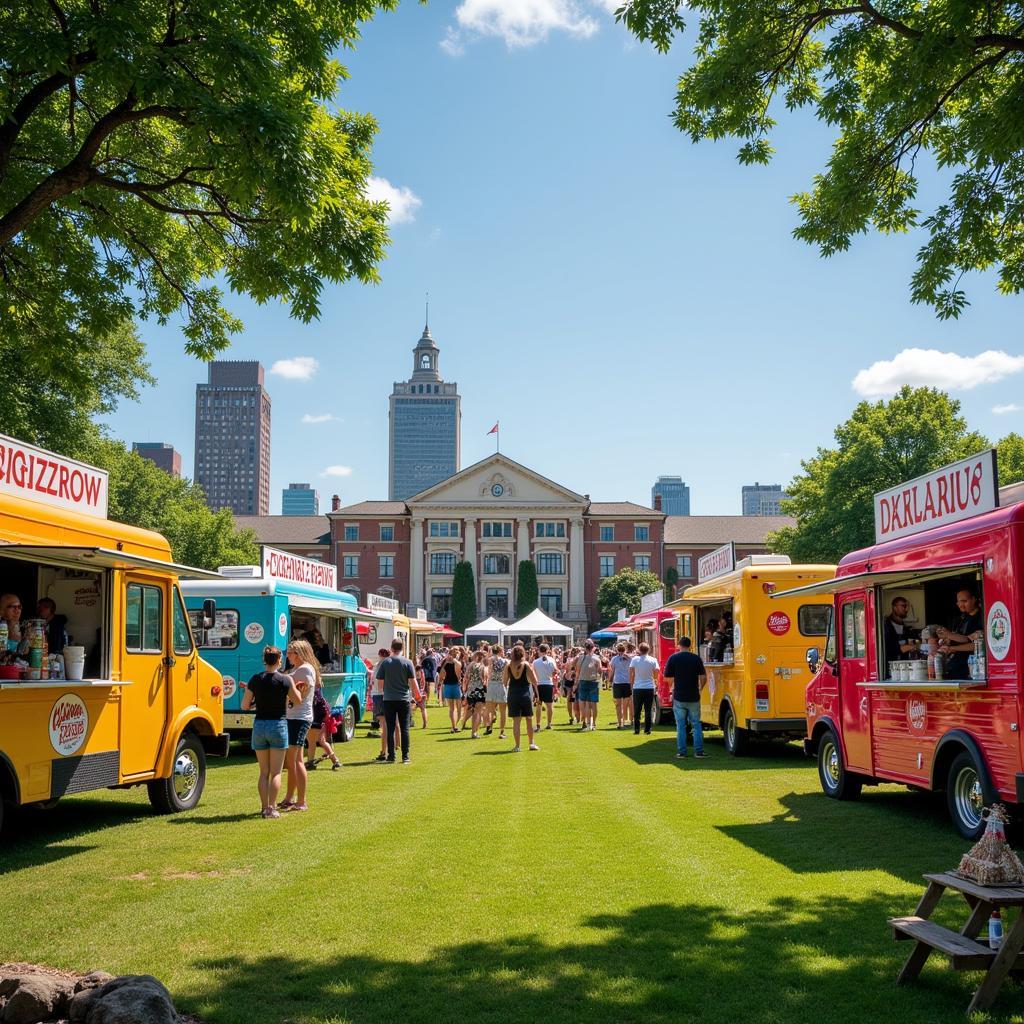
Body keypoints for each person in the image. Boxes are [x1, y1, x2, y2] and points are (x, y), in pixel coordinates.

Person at [241, 646, 303, 818]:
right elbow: (297, 700)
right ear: (279, 660)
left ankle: (263, 807)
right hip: (278, 725)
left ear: (264, 660)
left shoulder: (255, 679)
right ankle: (271, 808)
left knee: (264, 772)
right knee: (276, 772)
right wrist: (297, 688)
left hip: (260, 725)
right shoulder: (285, 679)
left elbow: (244, 706)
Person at [279, 639, 317, 812]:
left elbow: (299, 693)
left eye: (291, 652)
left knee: (295, 760)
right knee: (293, 760)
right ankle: (289, 798)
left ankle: (301, 801)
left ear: (299, 654)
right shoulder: (299, 669)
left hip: (299, 718)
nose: (288, 655)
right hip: (294, 717)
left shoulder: (304, 670)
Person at [375, 638, 419, 764]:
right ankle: (405, 756)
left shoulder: (386, 662)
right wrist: (417, 696)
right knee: (404, 728)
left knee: (390, 727)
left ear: (392, 647)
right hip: (404, 699)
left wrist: (385, 691)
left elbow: (380, 683)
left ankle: (391, 756)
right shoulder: (408, 662)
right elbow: (413, 681)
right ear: (402, 647)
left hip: (389, 699)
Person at [663, 637, 708, 759]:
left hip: (679, 696)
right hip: (693, 695)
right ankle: (698, 751)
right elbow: (703, 677)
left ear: (679, 645)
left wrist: (672, 686)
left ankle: (681, 752)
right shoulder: (696, 658)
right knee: (696, 725)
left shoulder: (673, 658)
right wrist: (700, 688)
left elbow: (667, 677)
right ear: (690, 645)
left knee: (680, 726)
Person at [937, 587, 984, 679]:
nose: (961, 605)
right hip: (955, 666)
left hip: (971, 668)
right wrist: (947, 640)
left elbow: (976, 645)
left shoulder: (981, 618)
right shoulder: (961, 618)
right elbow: (962, 638)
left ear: (974, 599)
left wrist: (951, 646)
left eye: (964, 601)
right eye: (959, 602)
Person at [504, 644, 540, 752]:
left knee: (516, 722)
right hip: (525, 694)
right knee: (529, 719)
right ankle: (531, 743)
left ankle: (517, 746)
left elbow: (504, 682)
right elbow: (535, 681)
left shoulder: (508, 666)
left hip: (513, 694)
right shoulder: (526, 665)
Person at [305, 675, 342, 771]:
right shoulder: (318, 690)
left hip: (314, 716)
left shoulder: (311, 691)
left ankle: (334, 760)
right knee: (317, 741)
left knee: (315, 741)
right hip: (319, 716)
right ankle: (311, 762)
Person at [629, 642, 660, 735]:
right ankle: (647, 729)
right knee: (648, 709)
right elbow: (657, 671)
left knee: (637, 709)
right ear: (648, 650)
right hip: (649, 687)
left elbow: (631, 672)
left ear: (639, 650)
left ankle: (637, 729)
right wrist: (654, 678)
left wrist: (631, 683)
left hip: (638, 687)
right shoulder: (653, 660)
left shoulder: (635, 659)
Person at [574, 640, 603, 732]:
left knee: (583, 703)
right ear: (593, 647)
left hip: (583, 681)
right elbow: (600, 671)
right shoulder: (596, 658)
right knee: (593, 704)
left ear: (585, 648)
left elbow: (577, 672)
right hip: (593, 681)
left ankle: (585, 722)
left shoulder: (581, 658)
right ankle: (593, 723)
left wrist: (575, 683)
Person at [883, 596, 920, 663]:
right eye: (903, 606)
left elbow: (915, 642)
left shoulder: (906, 629)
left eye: (907, 606)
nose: (906, 609)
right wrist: (910, 647)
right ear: (894, 607)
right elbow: (888, 649)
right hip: (890, 667)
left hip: (903, 666)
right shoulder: (885, 626)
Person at [532, 643, 558, 732]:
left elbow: (533, 674)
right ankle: (549, 723)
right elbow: (555, 672)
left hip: (539, 684)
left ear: (539, 651)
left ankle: (538, 724)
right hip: (548, 684)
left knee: (539, 705)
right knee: (549, 705)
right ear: (547, 651)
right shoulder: (551, 660)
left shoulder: (535, 662)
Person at [485, 645, 508, 738]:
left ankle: (489, 726)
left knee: (489, 709)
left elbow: (489, 673)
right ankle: (502, 732)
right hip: (501, 684)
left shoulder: (490, 659)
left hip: (492, 684)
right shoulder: (505, 661)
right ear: (499, 651)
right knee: (503, 711)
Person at [608, 643, 633, 729]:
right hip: (627, 683)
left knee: (618, 705)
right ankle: (627, 721)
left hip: (618, 683)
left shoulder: (614, 659)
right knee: (625, 704)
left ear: (617, 650)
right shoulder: (630, 658)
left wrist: (609, 680)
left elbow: (612, 671)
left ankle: (620, 722)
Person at [439, 647, 464, 733]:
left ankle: (453, 726)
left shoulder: (445, 662)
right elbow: (459, 675)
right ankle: (455, 726)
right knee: (458, 707)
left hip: (447, 685)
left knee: (451, 708)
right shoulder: (457, 663)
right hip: (455, 685)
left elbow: (441, 675)